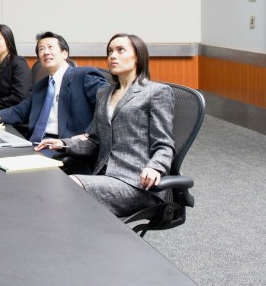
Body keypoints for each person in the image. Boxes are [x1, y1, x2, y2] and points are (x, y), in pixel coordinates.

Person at [37, 33, 175, 217]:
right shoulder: (104, 94)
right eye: (110, 51)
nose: (113, 56)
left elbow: (165, 145)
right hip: (104, 177)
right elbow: (95, 142)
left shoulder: (156, 92)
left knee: (66, 188)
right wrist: (65, 144)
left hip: (138, 182)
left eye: (120, 50)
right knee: (52, 191)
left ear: (138, 57)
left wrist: (155, 167)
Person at [0, 31, 108, 141]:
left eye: (50, 47)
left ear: (65, 53)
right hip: (35, 143)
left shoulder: (84, 76)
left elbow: (109, 105)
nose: (46, 52)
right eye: (41, 49)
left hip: (66, 146)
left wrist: (88, 134)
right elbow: (20, 111)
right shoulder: (41, 85)